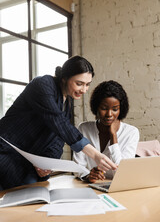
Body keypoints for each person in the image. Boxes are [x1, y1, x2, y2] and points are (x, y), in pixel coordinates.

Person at [0, 56, 117, 190]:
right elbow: (58, 122)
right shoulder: (42, 84)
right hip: (5, 152)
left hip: (26, 165)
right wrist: (95, 154)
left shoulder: (67, 102)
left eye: (87, 84)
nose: (84, 90)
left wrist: (47, 164)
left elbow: (58, 140)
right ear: (64, 78)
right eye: (79, 84)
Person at [73, 80, 140, 183]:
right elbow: (78, 167)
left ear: (121, 109)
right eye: (104, 108)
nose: (109, 114)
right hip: (91, 186)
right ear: (96, 107)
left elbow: (122, 173)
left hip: (119, 187)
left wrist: (113, 136)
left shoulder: (131, 132)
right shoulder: (84, 128)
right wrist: (88, 175)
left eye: (115, 109)